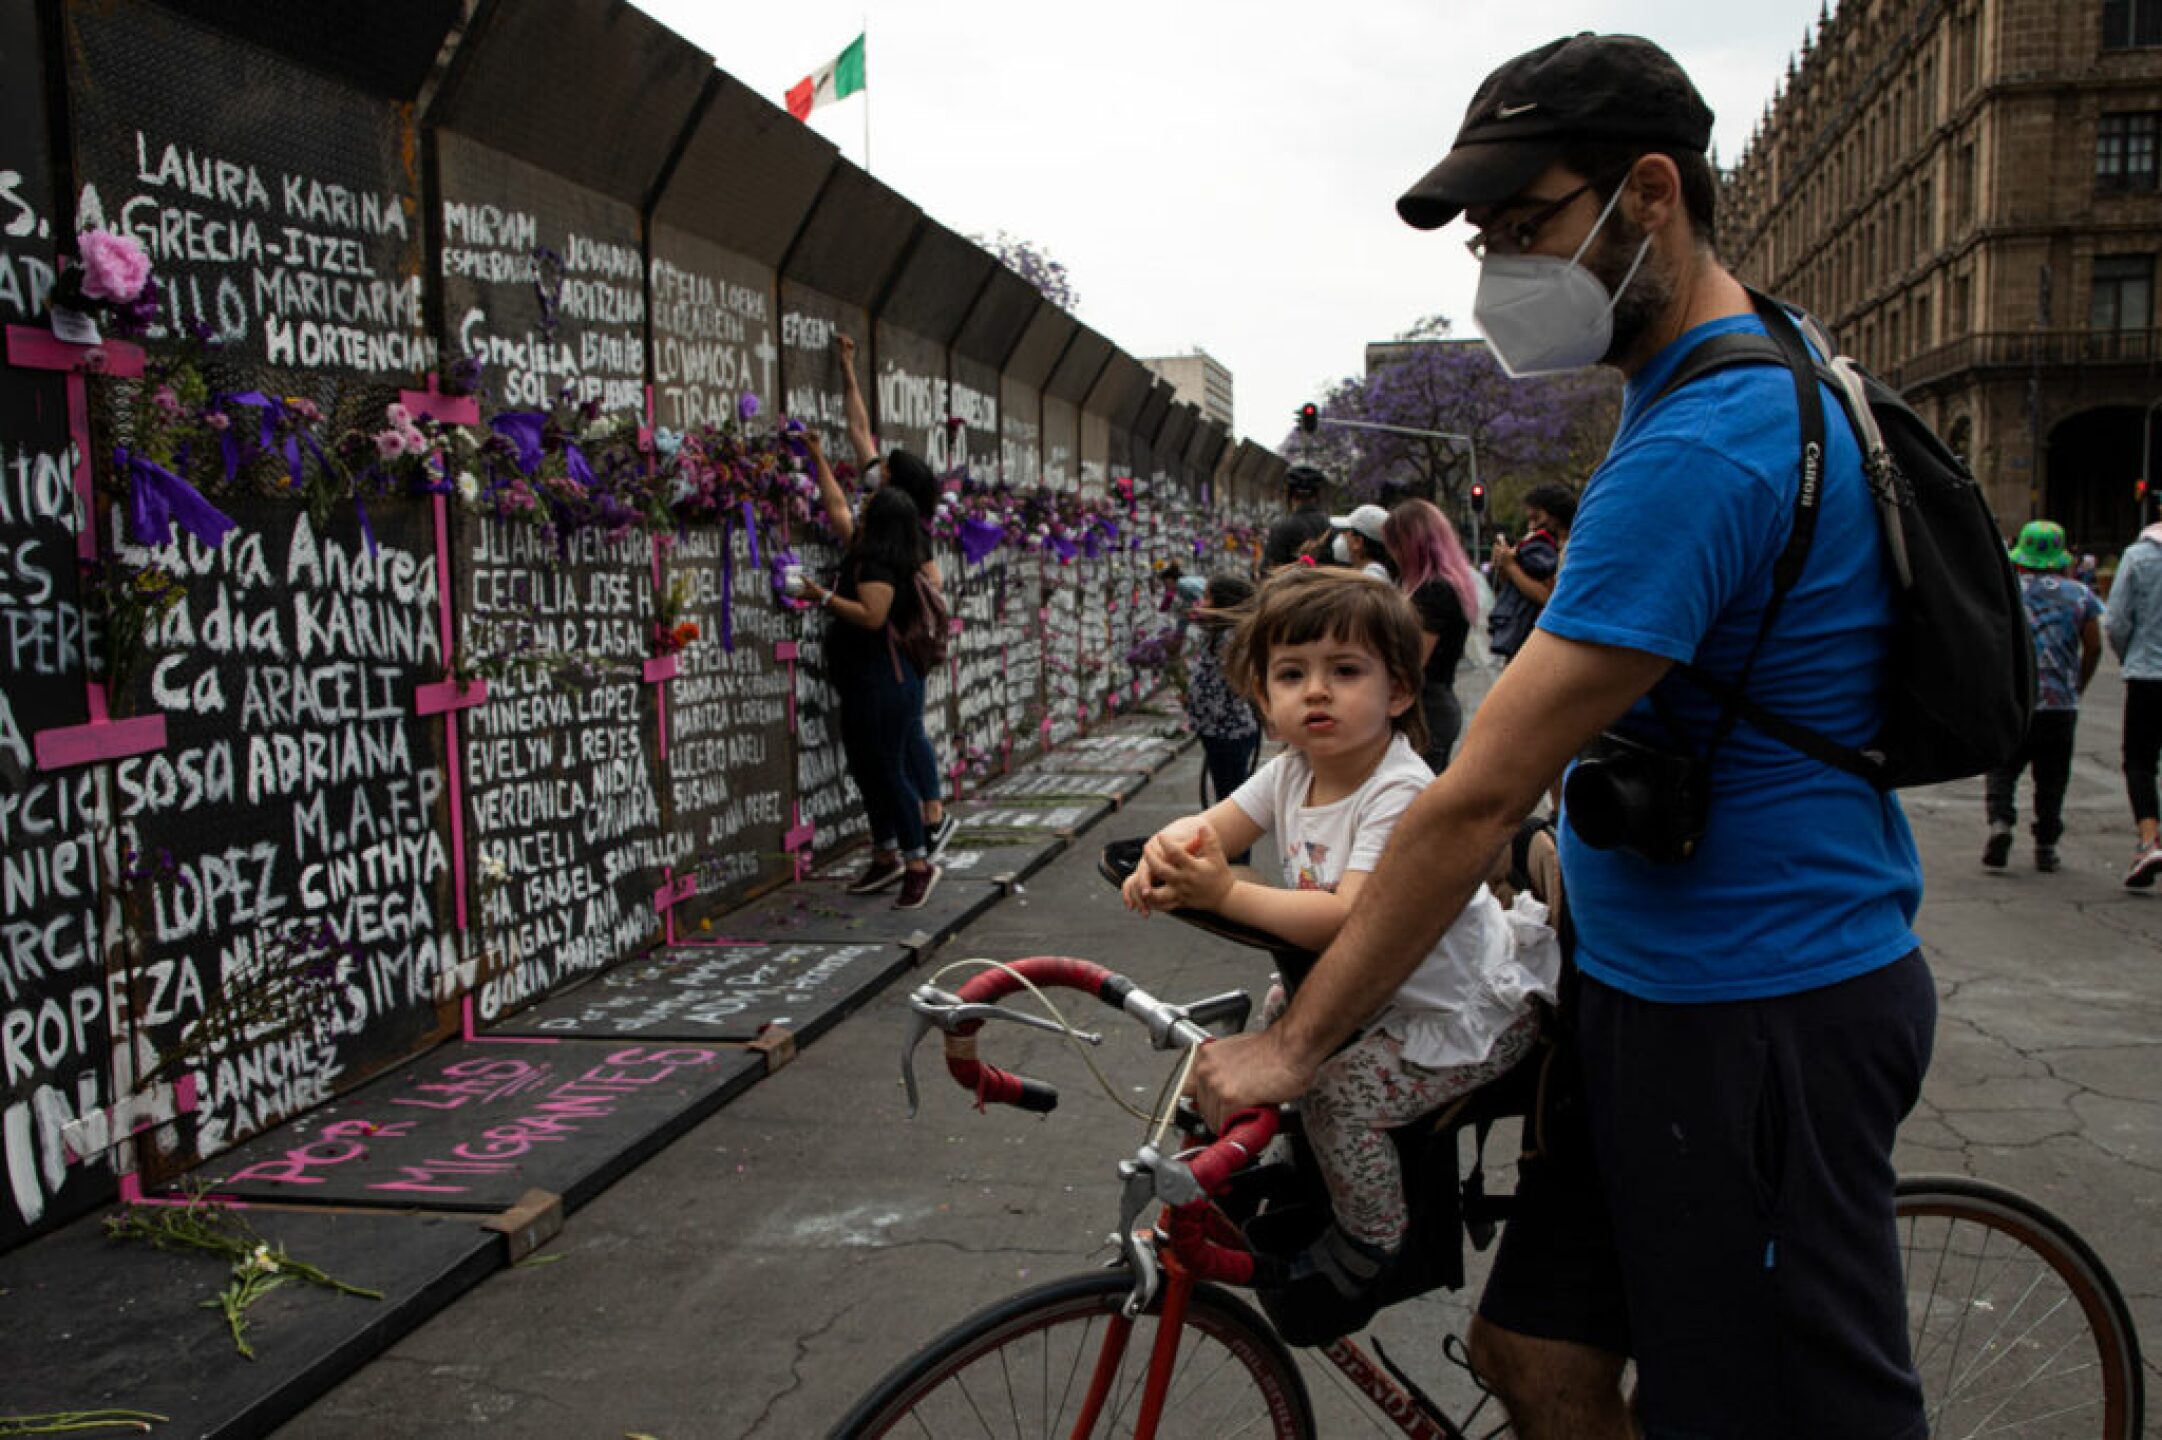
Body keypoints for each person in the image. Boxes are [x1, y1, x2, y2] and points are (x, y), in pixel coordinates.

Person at [1192, 33, 1934, 1440]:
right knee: (1534, 1353)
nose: (1499, 275)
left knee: (1777, 1407)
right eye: (1487, 241)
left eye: (1525, 229)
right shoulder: (1722, 377)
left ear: (1648, 192)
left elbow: (1466, 799)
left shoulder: (1703, 442)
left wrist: (1295, 1050)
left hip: (1755, 1009)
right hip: (1641, 991)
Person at [1123, 566, 1555, 1306]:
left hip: (1459, 1015)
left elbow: (1351, 914)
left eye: (1344, 671)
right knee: (1272, 1012)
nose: (1315, 691)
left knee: (1335, 1096)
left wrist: (1225, 889)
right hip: (1377, 996)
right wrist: (1165, 854)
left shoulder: (1400, 788)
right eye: (1291, 674)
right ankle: (1311, 1166)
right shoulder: (1291, 771)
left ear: (1399, 691)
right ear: (1264, 696)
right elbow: (1210, 828)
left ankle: (1370, 1240)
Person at [796, 435, 943, 910]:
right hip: (863, 680)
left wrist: (818, 595)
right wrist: (816, 456)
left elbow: (872, 616)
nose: (861, 503)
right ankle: (885, 853)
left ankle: (918, 862)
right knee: (867, 769)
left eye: (871, 502)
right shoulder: (867, 547)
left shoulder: (880, 563)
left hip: (886, 680)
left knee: (890, 770)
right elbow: (837, 507)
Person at [836, 333, 955, 859]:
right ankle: (918, 827)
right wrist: (847, 368)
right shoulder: (882, 503)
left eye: (883, 467)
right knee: (896, 736)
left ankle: (930, 818)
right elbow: (859, 430)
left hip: (898, 649)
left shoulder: (906, 531)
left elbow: (934, 588)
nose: (874, 465)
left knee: (905, 731)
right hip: (875, 656)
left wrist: (894, 600)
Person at [1985, 520, 2103, 874]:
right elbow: (2094, 646)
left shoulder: (2005, 589)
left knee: (2003, 768)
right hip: (2059, 704)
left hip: (2014, 697)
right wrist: (2078, 683)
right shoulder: (2080, 595)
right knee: (2052, 778)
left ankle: (2001, 823)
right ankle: (2046, 844)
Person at [1382, 499, 1480, 772]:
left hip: (1427, 711)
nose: (1393, 554)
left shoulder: (1434, 592)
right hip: (1433, 704)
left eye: (1396, 544)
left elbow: (1413, 659)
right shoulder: (1446, 586)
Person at [2107, 493, 2162, 888]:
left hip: (2147, 676)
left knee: (2140, 762)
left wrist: (2133, 657)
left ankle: (2149, 841)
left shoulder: (2139, 557)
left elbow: (2116, 621)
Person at [1183, 571, 1261, 817]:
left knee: (1232, 806)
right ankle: (1231, 853)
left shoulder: (1231, 638)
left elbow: (1238, 682)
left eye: (1207, 597)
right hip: (1218, 731)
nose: (1202, 603)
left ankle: (1235, 855)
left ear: (1223, 602)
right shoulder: (1218, 634)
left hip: (1229, 732)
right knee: (1226, 799)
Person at [1486, 482, 1576, 663]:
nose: (1532, 526)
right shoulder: (1541, 548)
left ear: (1555, 516)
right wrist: (1505, 566)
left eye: (1537, 518)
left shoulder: (1569, 551)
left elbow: (1546, 596)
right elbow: (1518, 589)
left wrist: (1512, 567)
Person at [1262, 464, 1332, 570]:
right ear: (1318, 493)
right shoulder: (1331, 526)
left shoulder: (1281, 528)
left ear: (1288, 493)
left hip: (1294, 585)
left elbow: (1268, 571)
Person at [1326, 503, 1396, 580]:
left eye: (1345, 532)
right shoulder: (1369, 573)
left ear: (1357, 542)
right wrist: (1309, 558)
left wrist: (1310, 558)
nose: (1341, 536)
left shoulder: (1369, 579)